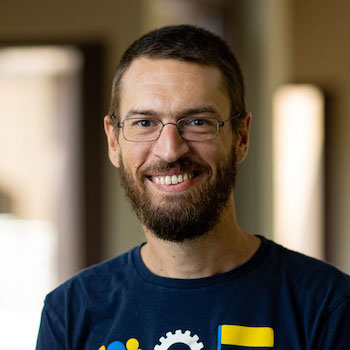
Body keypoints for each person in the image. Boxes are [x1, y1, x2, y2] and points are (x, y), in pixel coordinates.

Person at [36, 25, 350, 350]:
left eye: (198, 121)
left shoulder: (328, 306)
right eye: (144, 123)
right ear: (113, 141)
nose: (170, 150)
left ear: (241, 137)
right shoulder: (71, 313)